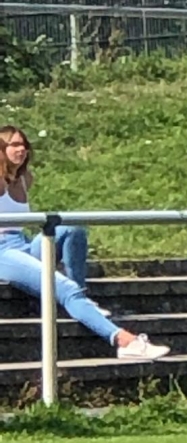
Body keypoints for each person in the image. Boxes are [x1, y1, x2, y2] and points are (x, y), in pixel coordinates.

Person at [0, 127, 170, 361]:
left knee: (72, 228)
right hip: (3, 252)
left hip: (23, 243)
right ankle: (124, 341)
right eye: (15, 145)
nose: (22, 150)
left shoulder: (24, 179)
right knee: (66, 289)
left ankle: (81, 296)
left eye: (24, 145)